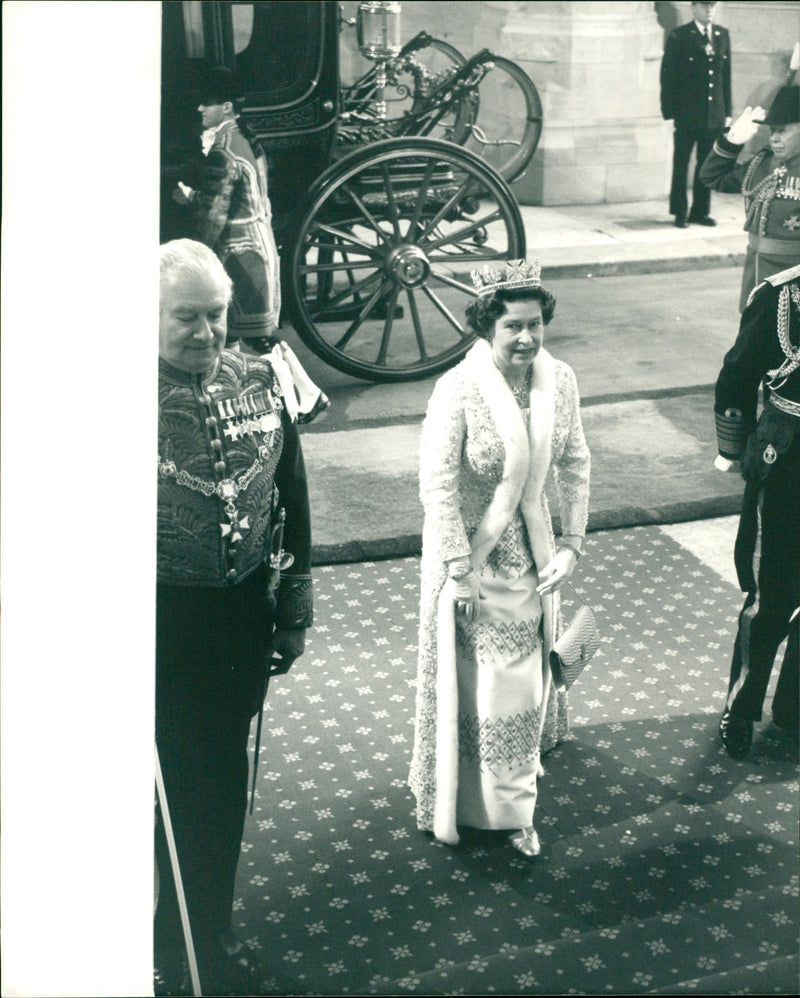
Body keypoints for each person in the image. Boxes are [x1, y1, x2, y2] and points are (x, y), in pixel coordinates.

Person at [155, 239, 313, 995]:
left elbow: (295, 494)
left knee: (218, 785)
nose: (206, 332)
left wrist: (293, 610)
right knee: (148, 789)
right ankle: (149, 939)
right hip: (152, 627)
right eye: (186, 317)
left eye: (215, 315)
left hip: (239, 623)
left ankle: (206, 930)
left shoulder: (261, 373)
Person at [408, 259, 591, 856]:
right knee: (488, 691)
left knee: (527, 687)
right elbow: (436, 485)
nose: (527, 339)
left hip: (537, 564)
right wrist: (458, 571)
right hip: (472, 565)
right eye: (513, 326)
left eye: (536, 324)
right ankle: (484, 807)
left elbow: (576, 462)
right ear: (486, 328)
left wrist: (571, 543)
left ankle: (515, 806)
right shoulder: (457, 388)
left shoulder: (559, 379)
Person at [172, 65, 328, 422]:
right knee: (258, 338)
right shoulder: (246, 139)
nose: (200, 110)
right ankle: (295, 401)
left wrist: (191, 213)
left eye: (207, 104)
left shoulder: (223, 151)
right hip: (258, 247)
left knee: (243, 340)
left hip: (238, 256)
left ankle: (294, 402)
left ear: (225, 107)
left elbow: (215, 214)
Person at [713, 262, 799, 760]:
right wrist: (733, 448)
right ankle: (741, 707)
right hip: (788, 461)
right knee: (770, 594)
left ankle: (794, 710)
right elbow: (737, 376)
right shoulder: (779, 296)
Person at [701, 84, 800, 311]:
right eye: (772, 131)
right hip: (757, 278)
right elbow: (712, 178)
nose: (774, 138)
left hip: (794, 284)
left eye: (782, 130)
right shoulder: (762, 163)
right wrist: (732, 141)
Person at [660, 1, 732, 228]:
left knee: (707, 165)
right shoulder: (679, 36)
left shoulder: (721, 34)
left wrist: (727, 112)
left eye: (712, 5)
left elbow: (725, 78)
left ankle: (700, 211)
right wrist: (670, 112)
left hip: (714, 115)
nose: (709, 10)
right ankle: (680, 212)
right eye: (704, 5)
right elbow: (668, 77)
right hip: (687, 115)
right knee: (681, 164)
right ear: (693, 8)